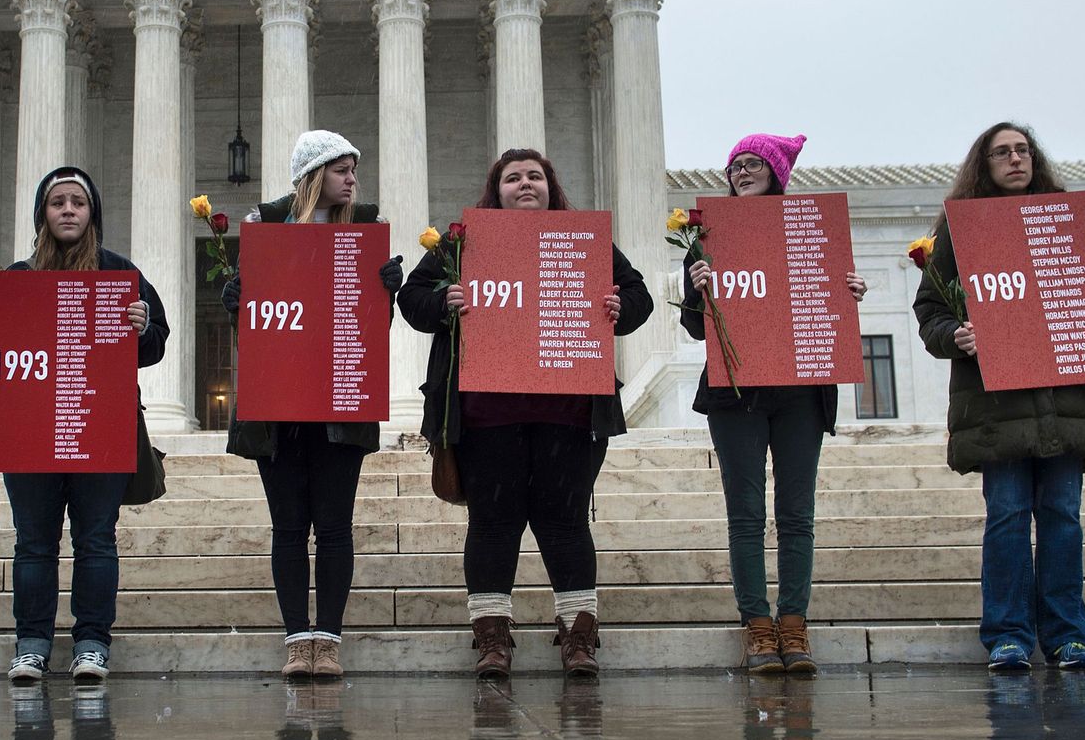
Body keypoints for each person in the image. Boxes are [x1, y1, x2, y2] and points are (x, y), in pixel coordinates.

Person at [398, 149, 653, 677]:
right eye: (513, 178)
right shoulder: (461, 241)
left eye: (534, 176)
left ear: (551, 186)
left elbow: (638, 297)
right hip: (487, 413)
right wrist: (446, 298)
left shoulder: (581, 239)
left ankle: (578, 637)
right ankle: (492, 638)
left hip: (570, 411)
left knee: (565, 524)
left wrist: (618, 306)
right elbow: (411, 299)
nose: (525, 184)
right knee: (493, 524)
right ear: (497, 191)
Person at [914, 122, 1085, 673]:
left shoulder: (1065, 222)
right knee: (1006, 516)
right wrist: (956, 335)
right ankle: (1007, 635)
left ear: (1035, 159)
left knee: (1062, 517)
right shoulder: (960, 231)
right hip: (996, 408)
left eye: (1022, 150)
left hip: (1063, 402)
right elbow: (930, 310)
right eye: (1002, 152)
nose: (1015, 159)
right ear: (985, 164)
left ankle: (1070, 635)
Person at [0, 167, 167, 685]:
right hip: (29, 428)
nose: (68, 210)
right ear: (44, 214)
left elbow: (154, 344)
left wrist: (143, 327)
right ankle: (31, 646)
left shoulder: (122, 272)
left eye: (78, 201)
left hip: (99, 425)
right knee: (33, 541)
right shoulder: (15, 277)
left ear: (92, 212)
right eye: (58, 202)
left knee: (96, 539)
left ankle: (92, 644)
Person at [680, 134, 867, 675]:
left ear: (777, 172)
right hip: (735, 392)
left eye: (754, 163)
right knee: (745, 514)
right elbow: (696, 328)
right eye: (735, 165)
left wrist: (845, 291)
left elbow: (824, 309)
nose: (742, 171)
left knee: (795, 515)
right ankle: (757, 626)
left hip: (801, 393)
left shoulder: (812, 230)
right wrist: (698, 289)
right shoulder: (707, 237)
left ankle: (794, 623)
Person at [220, 131, 403, 679]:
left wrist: (383, 293)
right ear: (314, 174)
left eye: (354, 169)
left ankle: (330, 638)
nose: (352, 178)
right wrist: (238, 300)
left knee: (335, 526)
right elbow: (260, 326)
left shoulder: (363, 232)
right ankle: (297, 638)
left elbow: (367, 331)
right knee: (288, 528)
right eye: (341, 168)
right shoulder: (267, 230)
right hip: (278, 408)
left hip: (338, 406)